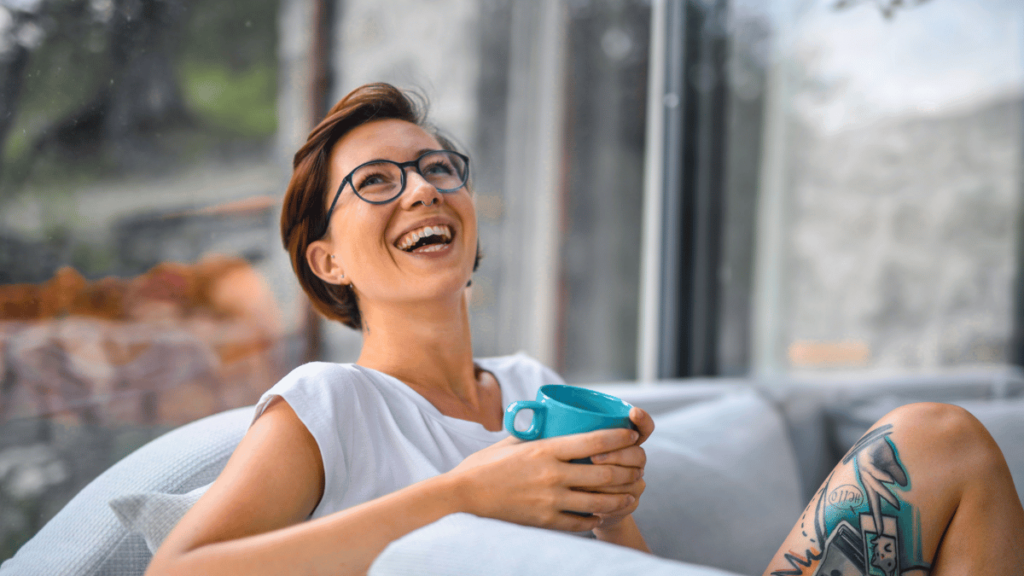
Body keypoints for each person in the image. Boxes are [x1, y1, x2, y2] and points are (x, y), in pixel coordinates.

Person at [146, 83, 1024, 576]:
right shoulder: (326, 403)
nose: (420, 189)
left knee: (941, 441)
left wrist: (614, 502)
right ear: (326, 261)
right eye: (375, 182)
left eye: (437, 169)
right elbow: (177, 574)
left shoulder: (534, 387)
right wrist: (461, 496)